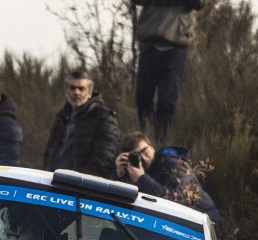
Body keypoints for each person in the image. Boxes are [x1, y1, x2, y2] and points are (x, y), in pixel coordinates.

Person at [114, 132, 221, 226]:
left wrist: (142, 179)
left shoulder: (173, 164)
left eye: (145, 151)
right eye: (137, 156)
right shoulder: (137, 172)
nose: (144, 158)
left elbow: (179, 198)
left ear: (152, 146)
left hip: (204, 223)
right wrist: (120, 175)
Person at [132, 0, 203, 140]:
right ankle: (146, 141)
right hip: (150, 43)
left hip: (176, 45)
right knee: (143, 100)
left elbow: (198, 3)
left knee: (167, 101)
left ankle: (161, 143)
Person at [42, 70, 120, 178]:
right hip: (56, 179)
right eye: (72, 88)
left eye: (81, 89)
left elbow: (104, 159)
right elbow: (50, 153)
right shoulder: (62, 117)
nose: (76, 92)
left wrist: (82, 180)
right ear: (66, 91)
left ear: (89, 92)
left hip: (85, 183)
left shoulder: (103, 118)